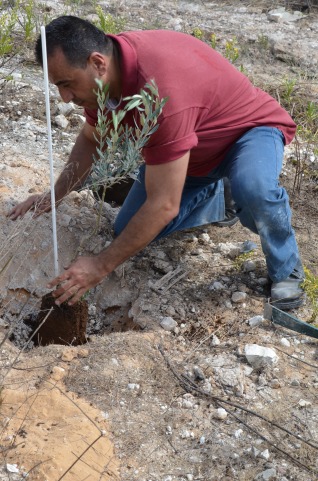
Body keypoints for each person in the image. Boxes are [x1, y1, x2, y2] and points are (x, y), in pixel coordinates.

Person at [8, 15, 304, 310]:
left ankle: (285, 268)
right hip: (188, 154)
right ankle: (219, 196)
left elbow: (164, 205)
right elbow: (90, 139)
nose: (64, 97)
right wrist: (55, 195)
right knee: (126, 230)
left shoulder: (160, 91)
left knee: (252, 189)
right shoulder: (108, 80)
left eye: (67, 84)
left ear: (98, 63)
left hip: (248, 133)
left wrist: (100, 266)